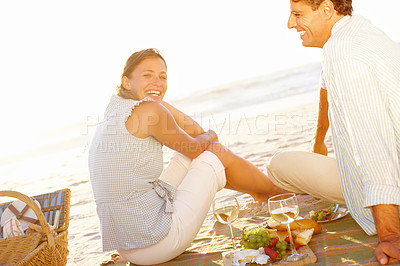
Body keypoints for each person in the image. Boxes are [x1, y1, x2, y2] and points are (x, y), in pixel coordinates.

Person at [88, 48, 283, 265]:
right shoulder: (148, 110)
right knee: (213, 153)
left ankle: (260, 194)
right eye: (147, 75)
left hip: (128, 246)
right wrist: (210, 134)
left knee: (187, 157)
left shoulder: (112, 115)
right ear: (126, 82)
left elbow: (192, 141)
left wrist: (155, 98)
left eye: (162, 77)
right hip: (156, 243)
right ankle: (275, 194)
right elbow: (198, 143)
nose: (158, 82)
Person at [266, 0, 400, 264]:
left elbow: (373, 146)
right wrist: (318, 142)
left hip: (393, 172)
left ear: (326, 9)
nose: (290, 23)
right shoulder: (357, 31)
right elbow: (326, 87)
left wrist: (391, 236)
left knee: (278, 166)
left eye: (297, 14)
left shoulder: (343, 53)